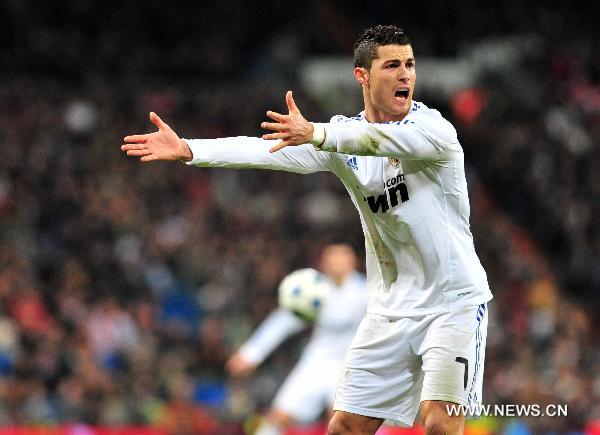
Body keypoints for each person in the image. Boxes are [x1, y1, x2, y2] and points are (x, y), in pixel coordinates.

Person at [122, 24, 492, 435]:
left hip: (452, 302)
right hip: (389, 309)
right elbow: (271, 152)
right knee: (345, 427)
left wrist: (317, 133)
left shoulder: (433, 131)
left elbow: (371, 140)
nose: (405, 74)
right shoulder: (342, 141)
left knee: (440, 421)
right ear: (362, 76)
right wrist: (193, 149)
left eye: (410, 64)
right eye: (392, 65)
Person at [226, 243, 367, 435]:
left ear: (353, 260)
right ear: (324, 262)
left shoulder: (367, 291)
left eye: (343, 255)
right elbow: (283, 321)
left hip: (352, 365)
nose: (338, 261)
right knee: (279, 417)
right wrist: (251, 353)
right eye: (333, 256)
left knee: (343, 423)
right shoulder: (314, 289)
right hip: (318, 361)